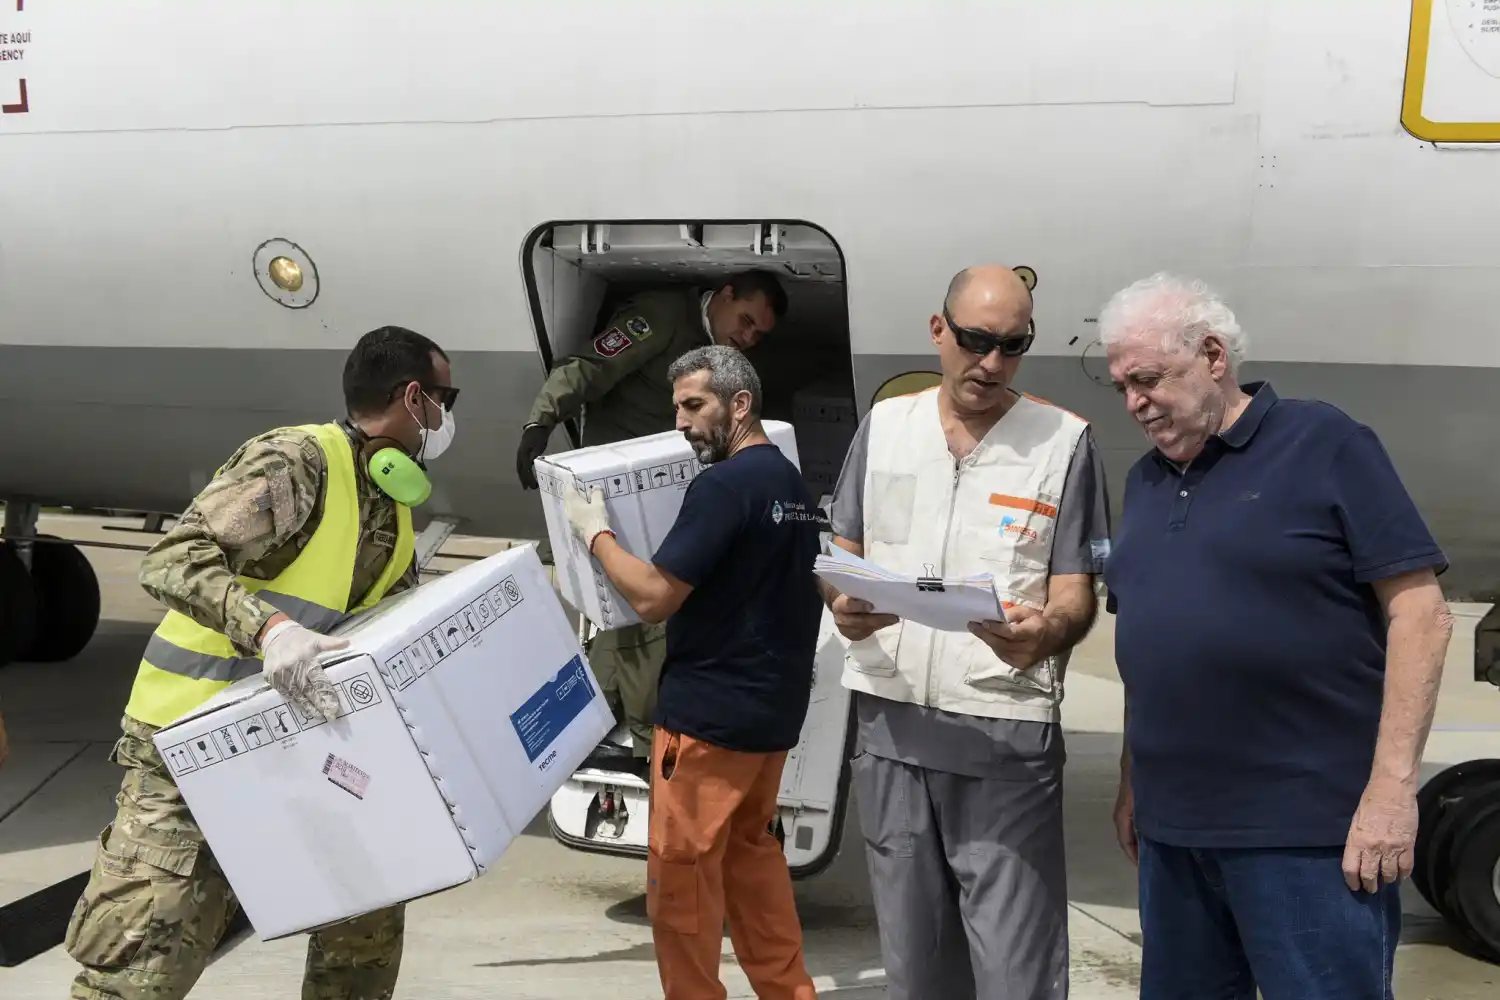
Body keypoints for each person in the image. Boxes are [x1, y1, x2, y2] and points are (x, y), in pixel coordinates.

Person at [63, 326, 459, 1000]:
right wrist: (271, 629)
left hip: (306, 747)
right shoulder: (296, 462)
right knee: (143, 966)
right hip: (188, 746)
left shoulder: (390, 500)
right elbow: (171, 558)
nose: (450, 416)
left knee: (364, 929)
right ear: (413, 396)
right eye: (447, 398)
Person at [1099, 273, 1454, 1000]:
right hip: (1175, 837)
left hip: (1305, 835)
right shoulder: (1145, 482)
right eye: (1122, 387)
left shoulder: (1325, 443)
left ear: (1212, 355)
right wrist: (1134, 780)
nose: (1135, 403)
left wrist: (1392, 791)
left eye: (1148, 379)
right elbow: (1152, 641)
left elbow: (1421, 612)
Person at [822, 265, 1111, 1000]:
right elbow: (843, 551)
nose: (990, 363)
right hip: (890, 726)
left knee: (1015, 970)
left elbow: (1075, 592)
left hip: (1000, 730)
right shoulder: (886, 427)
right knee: (916, 969)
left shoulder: (1062, 443)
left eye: (1012, 346)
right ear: (937, 330)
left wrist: (1047, 632)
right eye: (976, 340)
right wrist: (841, 600)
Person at [562, 344, 822, 1000]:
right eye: (676, 406)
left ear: (740, 404)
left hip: (706, 724)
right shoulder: (793, 488)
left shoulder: (722, 486)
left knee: (682, 889)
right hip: (771, 720)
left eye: (694, 405)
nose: (680, 422)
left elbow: (652, 596)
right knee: (754, 868)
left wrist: (596, 535)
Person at [515, 271, 789, 770]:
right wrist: (541, 420)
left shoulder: (726, 361)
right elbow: (589, 368)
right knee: (642, 615)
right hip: (616, 493)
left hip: (668, 496)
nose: (748, 337)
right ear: (725, 295)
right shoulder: (664, 317)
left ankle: (606, 719)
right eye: (746, 321)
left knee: (631, 614)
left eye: (758, 334)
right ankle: (642, 739)